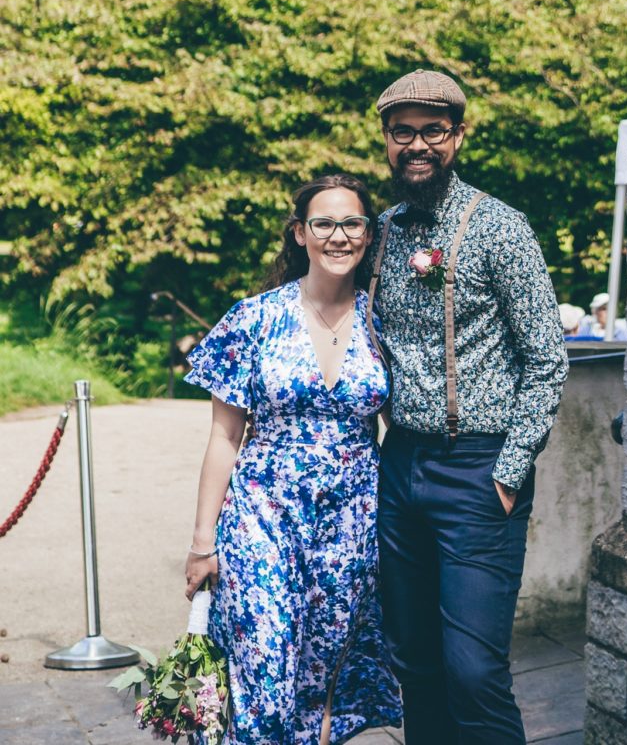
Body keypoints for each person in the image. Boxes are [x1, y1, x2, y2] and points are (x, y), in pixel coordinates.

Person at [368, 68, 568, 745]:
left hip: (479, 470)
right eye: (403, 133)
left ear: (458, 136)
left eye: (432, 131)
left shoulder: (500, 229)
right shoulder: (383, 232)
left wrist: (509, 472)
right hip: (400, 467)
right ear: (387, 140)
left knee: (473, 670)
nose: (416, 145)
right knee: (415, 665)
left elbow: (546, 358)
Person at [183, 174, 403, 745]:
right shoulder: (253, 319)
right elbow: (223, 438)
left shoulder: (387, 322)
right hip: (263, 513)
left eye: (352, 223)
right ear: (300, 233)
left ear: (368, 234)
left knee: (326, 668)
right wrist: (202, 543)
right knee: (263, 654)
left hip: (352, 520)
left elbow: (402, 428)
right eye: (323, 224)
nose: (338, 236)